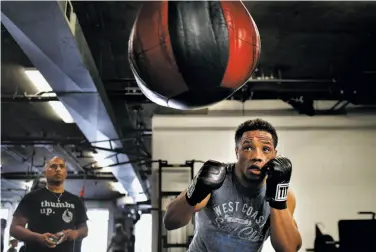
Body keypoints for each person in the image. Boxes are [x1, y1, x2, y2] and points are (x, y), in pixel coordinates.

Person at [163, 119, 302, 252]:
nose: (257, 156)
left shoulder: (283, 194)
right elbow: (170, 222)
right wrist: (194, 193)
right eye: (248, 148)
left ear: (274, 155)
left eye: (265, 149)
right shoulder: (218, 179)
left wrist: (278, 200)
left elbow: (288, 249)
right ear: (237, 151)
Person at [9, 156, 89, 252]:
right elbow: (15, 228)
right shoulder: (31, 198)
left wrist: (75, 233)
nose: (58, 169)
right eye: (53, 166)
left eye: (61, 166)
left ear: (66, 173)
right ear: (45, 172)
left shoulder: (75, 200)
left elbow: (84, 228)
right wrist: (38, 237)